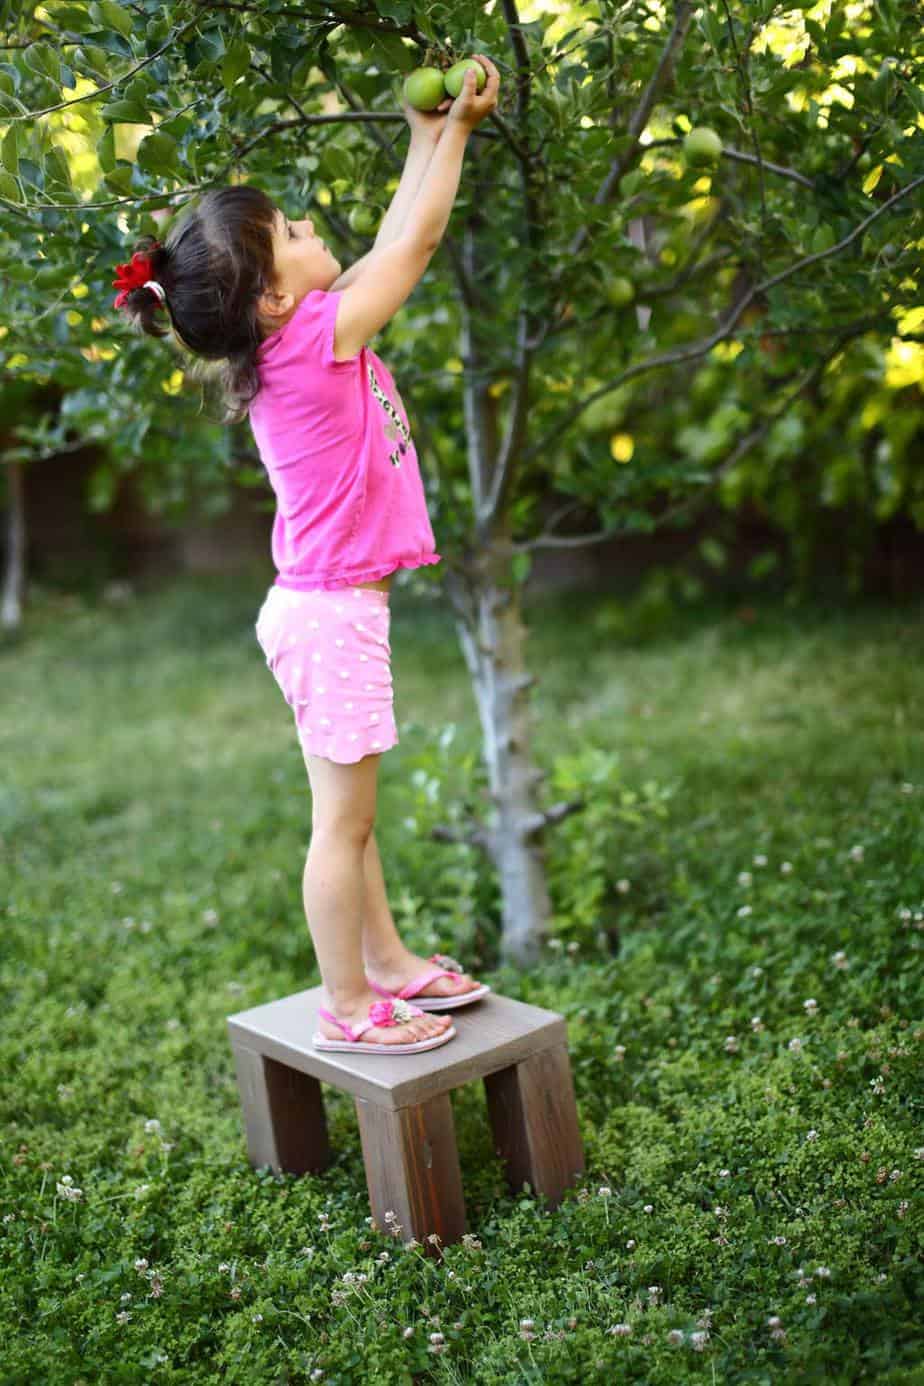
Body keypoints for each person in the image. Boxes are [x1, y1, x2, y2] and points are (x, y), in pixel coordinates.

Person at [112, 56, 501, 1054]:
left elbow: (381, 244)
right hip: (329, 618)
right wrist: (456, 129)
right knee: (344, 827)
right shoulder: (319, 339)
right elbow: (411, 243)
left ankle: (390, 965)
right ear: (277, 300)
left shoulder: (296, 340)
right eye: (290, 233)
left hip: (314, 609)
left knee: (352, 819)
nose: (309, 228)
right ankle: (350, 1007)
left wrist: (427, 135)